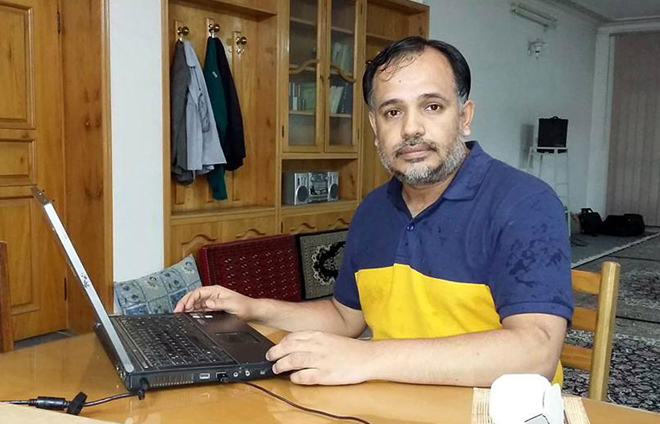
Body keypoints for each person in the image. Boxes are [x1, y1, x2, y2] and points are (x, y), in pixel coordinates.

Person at [175, 36, 573, 387]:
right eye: (392, 112)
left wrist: (366, 357)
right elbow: (345, 317)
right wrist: (253, 308)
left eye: (432, 106)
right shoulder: (373, 210)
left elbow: (535, 352)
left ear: (464, 116)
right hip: (389, 402)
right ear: (374, 126)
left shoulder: (524, 203)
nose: (411, 129)